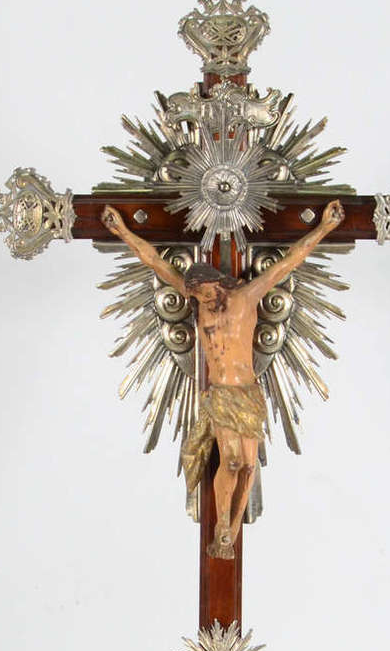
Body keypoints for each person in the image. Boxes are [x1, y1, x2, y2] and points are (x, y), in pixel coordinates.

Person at [101, 199, 345, 558]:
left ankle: (229, 532)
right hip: (221, 394)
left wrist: (324, 228)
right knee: (230, 462)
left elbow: (289, 262)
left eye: (202, 292)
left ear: (215, 284)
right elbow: (155, 262)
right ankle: (221, 526)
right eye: (194, 295)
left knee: (247, 466)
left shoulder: (247, 297)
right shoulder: (199, 302)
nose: (198, 299)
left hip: (248, 392)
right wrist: (122, 231)